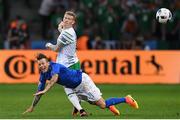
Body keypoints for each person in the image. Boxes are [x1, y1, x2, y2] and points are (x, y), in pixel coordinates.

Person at [45, 11, 120, 116]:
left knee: (70, 88)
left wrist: (48, 45)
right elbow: (63, 39)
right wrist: (60, 30)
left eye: (69, 19)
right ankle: (79, 109)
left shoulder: (66, 33)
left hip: (69, 65)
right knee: (72, 88)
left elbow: (56, 49)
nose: (66, 20)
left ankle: (85, 108)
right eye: (65, 17)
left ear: (73, 22)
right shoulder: (67, 31)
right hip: (72, 63)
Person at [23, 53, 139, 116]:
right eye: (39, 64)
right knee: (93, 102)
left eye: (43, 63)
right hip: (73, 86)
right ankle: (106, 105)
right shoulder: (43, 75)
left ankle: (126, 99)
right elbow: (38, 93)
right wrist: (32, 107)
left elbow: (55, 78)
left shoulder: (55, 66)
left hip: (83, 81)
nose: (41, 66)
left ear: (47, 62)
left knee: (102, 105)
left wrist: (46, 89)